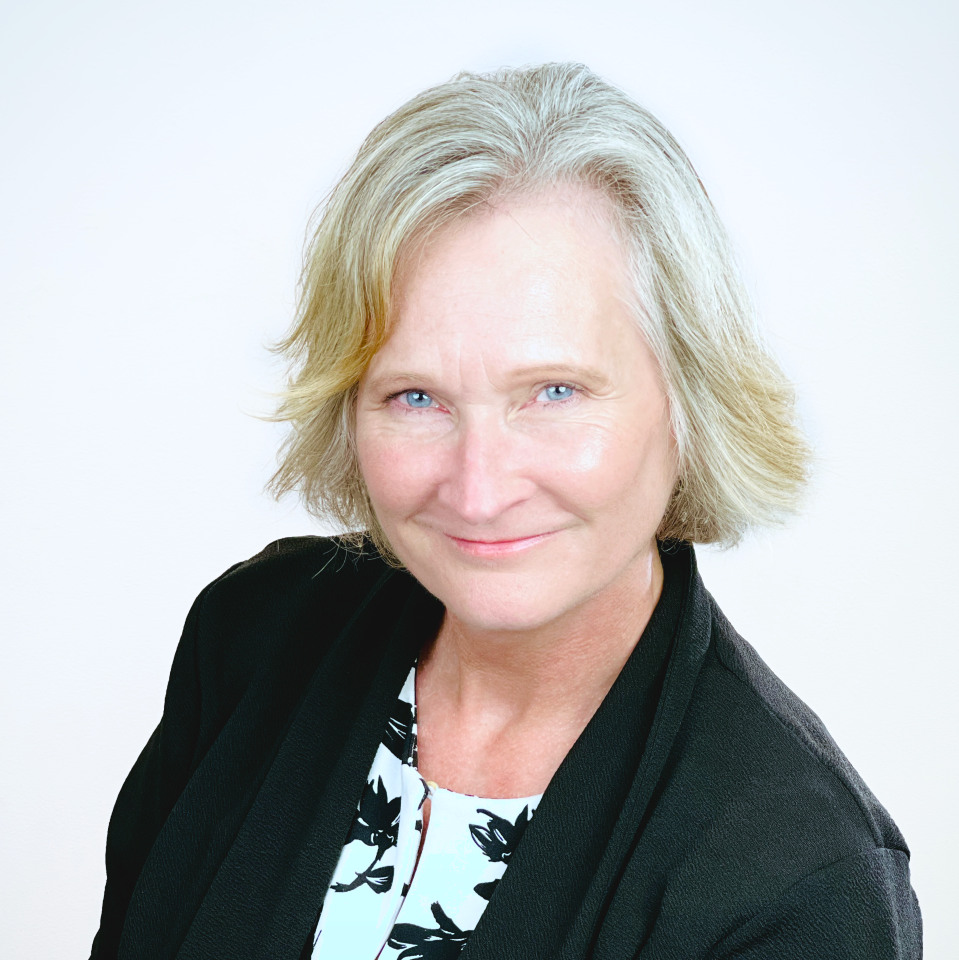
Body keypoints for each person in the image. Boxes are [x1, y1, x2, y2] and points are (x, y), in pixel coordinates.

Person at [90, 63, 921, 959]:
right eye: (415, 397)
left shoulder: (803, 878)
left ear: (687, 402)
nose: (478, 489)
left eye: (553, 391)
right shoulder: (251, 637)